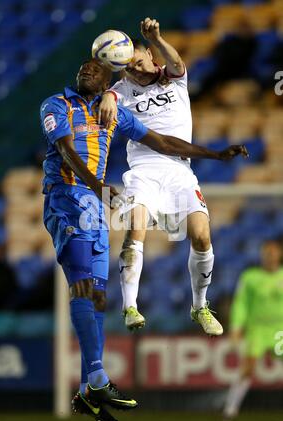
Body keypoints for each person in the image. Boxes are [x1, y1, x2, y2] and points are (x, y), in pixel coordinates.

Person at [40, 57, 246, 421]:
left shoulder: (115, 114)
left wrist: (215, 153)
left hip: (95, 205)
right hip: (67, 197)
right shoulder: (57, 104)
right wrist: (100, 186)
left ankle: (92, 387)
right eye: (83, 67)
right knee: (84, 287)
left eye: (96, 68)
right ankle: (98, 381)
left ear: (107, 82)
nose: (87, 70)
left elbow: (163, 141)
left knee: (98, 294)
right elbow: (66, 151)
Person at [98, 18, 245, 334]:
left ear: (151, 56)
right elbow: (109, 96)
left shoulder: (174, 79)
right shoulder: (121, 90)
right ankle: (130, 306)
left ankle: (200, 306)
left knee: (202, 234)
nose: (135, 71)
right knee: (135, 227)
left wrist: (158, 37)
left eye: (138, 63)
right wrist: (108, 97)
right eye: (128, 68)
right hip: (143, 172)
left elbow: (177, 61)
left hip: (180, 170)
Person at [223, 240, 283, 420]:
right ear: (262, 255)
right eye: (267, 253)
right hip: (257, 329)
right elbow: (240, 304)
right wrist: (236, 327)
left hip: (280, 330)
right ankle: (230, 409)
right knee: (248, 368)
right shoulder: (250, 277)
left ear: (279, 254)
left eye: (273, 252)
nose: (270, 256)